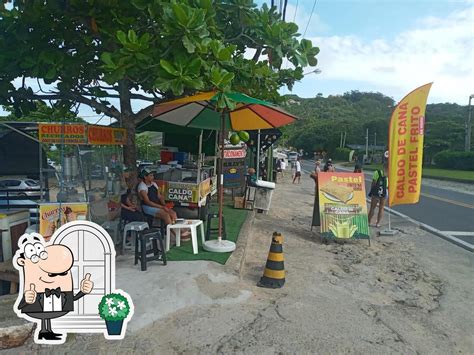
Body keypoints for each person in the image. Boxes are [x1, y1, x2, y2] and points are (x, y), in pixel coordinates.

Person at [14, 234, 94, 342]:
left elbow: (72, 299)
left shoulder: (63, 291)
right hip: (38, 307)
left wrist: (83, 291)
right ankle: (44, 331)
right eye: (51, 274)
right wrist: (27, 300)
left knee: (47, 316)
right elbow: (20, 306)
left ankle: (46, 331)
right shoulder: (33, 290)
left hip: (54, 307)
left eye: (63, 273)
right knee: (44, 315)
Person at [138, 168, 190, 239]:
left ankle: (180, 229)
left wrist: (165, 205)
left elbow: (160, 197)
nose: (152, 177)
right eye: (150, 175)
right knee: (166, 215)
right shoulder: (142, 187)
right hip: (147, 207)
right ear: (145, 177)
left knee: (173, 213)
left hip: (157, 205)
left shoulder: (154, 184)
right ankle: (177, 235)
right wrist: (162, 207)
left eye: (152, 175)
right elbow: (148, 202)